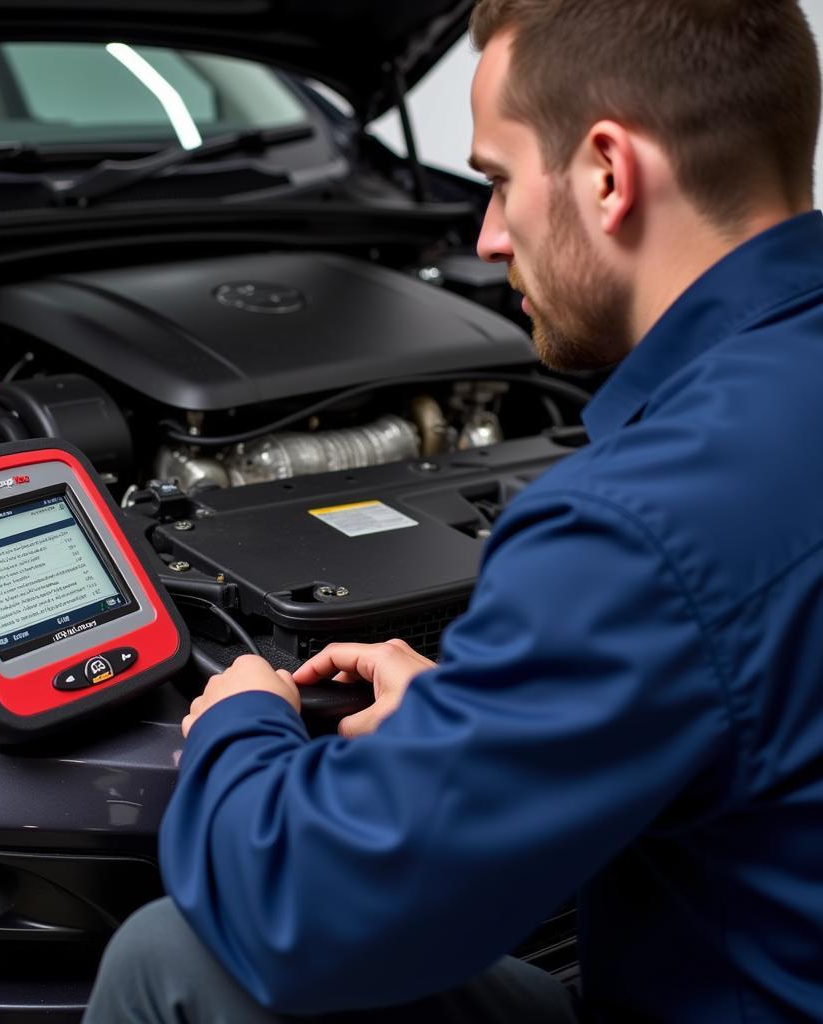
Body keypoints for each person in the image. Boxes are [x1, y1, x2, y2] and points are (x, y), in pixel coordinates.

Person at [85, 0, 823, 1020]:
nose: (483, 238)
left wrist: (243, 723)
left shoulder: (637, 526)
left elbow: (300, 910)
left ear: (608, 171)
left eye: (498, 182)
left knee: (171, 958)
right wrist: (480, 715)